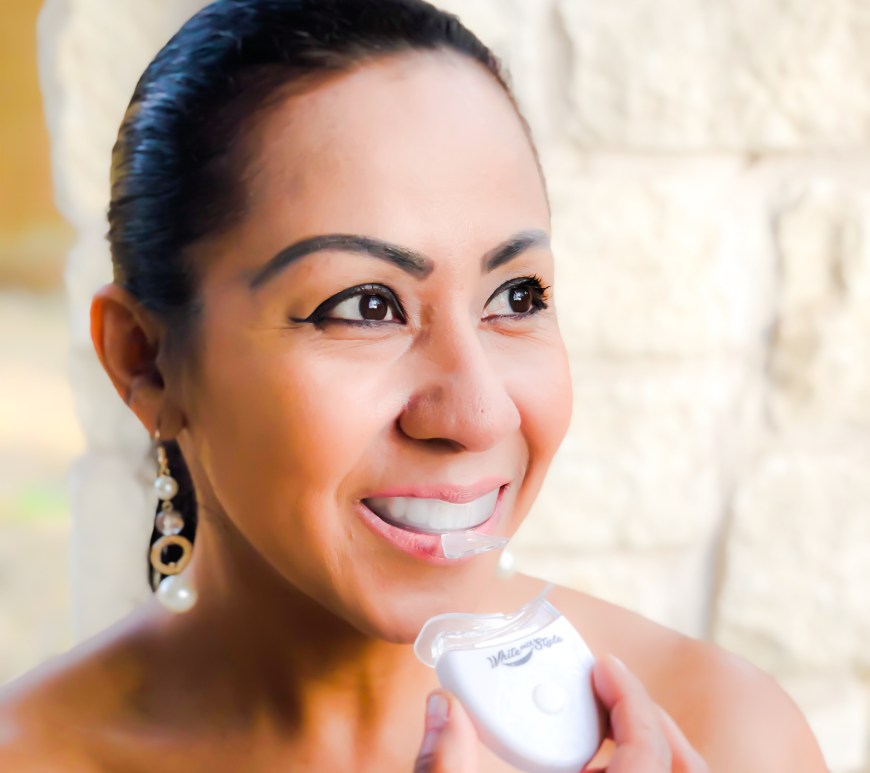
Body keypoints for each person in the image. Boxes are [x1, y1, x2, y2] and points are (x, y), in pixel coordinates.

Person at [0, 0, 827, 770]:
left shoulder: (723, 736)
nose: (478, 412)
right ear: (146, 361)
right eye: (364, 306)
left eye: (516, 297)